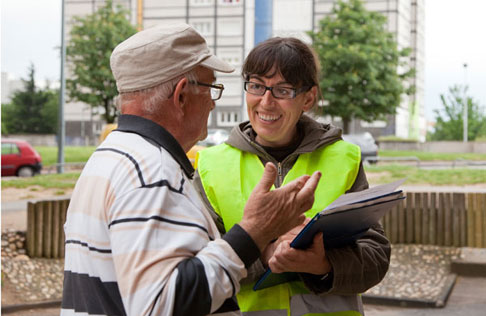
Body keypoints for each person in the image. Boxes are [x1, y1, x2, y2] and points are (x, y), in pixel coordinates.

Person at [60, 24, 322, 316]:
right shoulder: (152, 174)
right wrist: (254, 232)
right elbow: (160, 306)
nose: (212, 102)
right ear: (182, 95)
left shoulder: (110, 156)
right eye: (211, 88)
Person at [195, 37, 391, 315]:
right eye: (256, 86)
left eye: (282, 90)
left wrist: (322, 265)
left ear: (308, 98)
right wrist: (263, 255)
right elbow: (194, 269)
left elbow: (377, 257)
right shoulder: (210, 166)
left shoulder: (345, 158)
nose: (266, 102)